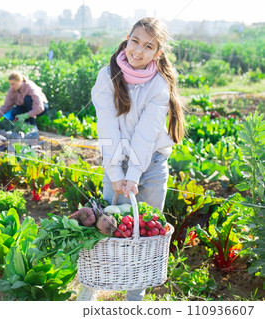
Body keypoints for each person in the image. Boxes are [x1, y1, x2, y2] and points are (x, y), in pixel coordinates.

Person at [77, 17, 186, 301]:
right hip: (116, 159)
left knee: (145, 231)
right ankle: (89, 291)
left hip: (151, 165)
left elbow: (146, 134)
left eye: (148, 47)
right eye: (135, 41)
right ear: (127, 38)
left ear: (157, 53)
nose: (138, 51)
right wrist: (115, 174)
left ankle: (133, 300)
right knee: (107, 225)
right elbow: (108, 128)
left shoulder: (159, 85)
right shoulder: (107, 76)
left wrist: (134, 175)